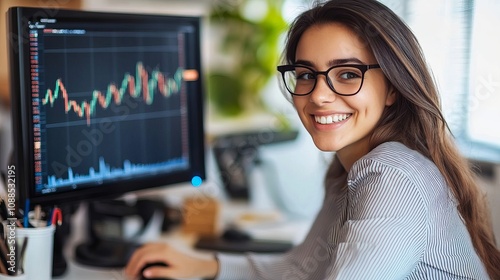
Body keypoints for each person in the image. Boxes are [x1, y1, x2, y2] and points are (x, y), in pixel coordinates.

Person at [124, 0, 500, 279]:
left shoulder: (393, 173)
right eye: (306, 74)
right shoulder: (349, 170)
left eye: (348, 74)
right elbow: (301, 269)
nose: (319, 95)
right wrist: (208, 265)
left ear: (392, 88)